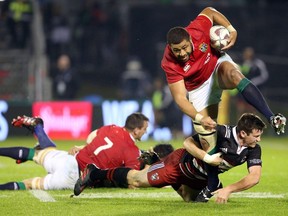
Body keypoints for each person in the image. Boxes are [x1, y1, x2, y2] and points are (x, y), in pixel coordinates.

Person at [160, 7, 286, 152]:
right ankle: (211, 174)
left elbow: (210, 11)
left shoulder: (197, 30)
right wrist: (200, 118)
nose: (182, 53)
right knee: (209, 136)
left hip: (216, 66)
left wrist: (232, 30)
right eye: (177, 50)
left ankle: (272, 117)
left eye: (184, 47)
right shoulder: (168, 62)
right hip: (198, 88)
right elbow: (180, 98)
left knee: (235, 75)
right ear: (170, 47)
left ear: (189, 39)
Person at [74, 113, 266, 204]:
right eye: (255, 135)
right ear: (242, 133)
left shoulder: (253, 149)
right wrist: (206, 158)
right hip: (178, 165)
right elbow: (188, 143)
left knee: (192, 203)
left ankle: (165, 171)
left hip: (198, 178)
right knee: (137, 180)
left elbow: (254, 177)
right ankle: (94, 173)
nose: (258, 140)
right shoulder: (220, 132)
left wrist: (229, 190)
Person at [0, 112, 149, 190]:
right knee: (29, 184)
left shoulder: (112, 128)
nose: (145, 132)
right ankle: (38, 128)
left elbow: (92, 137)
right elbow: (130, 176)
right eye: (144, 129)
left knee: (36, 154)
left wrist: (83, 148)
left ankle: (38, 128)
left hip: (71, 159)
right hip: (76, 176)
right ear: (136, 130)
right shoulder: (132, 151)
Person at [230, 47, 269, 121]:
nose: (247, 55)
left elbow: (264, 76)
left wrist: (254, 82)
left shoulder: (258, 63)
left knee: (253, 110)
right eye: (246, 53)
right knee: (240, 109)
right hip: (242, 90)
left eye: (249, 53)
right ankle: (240, 127)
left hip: (254, 90)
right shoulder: (241, 63)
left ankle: (255, 127)